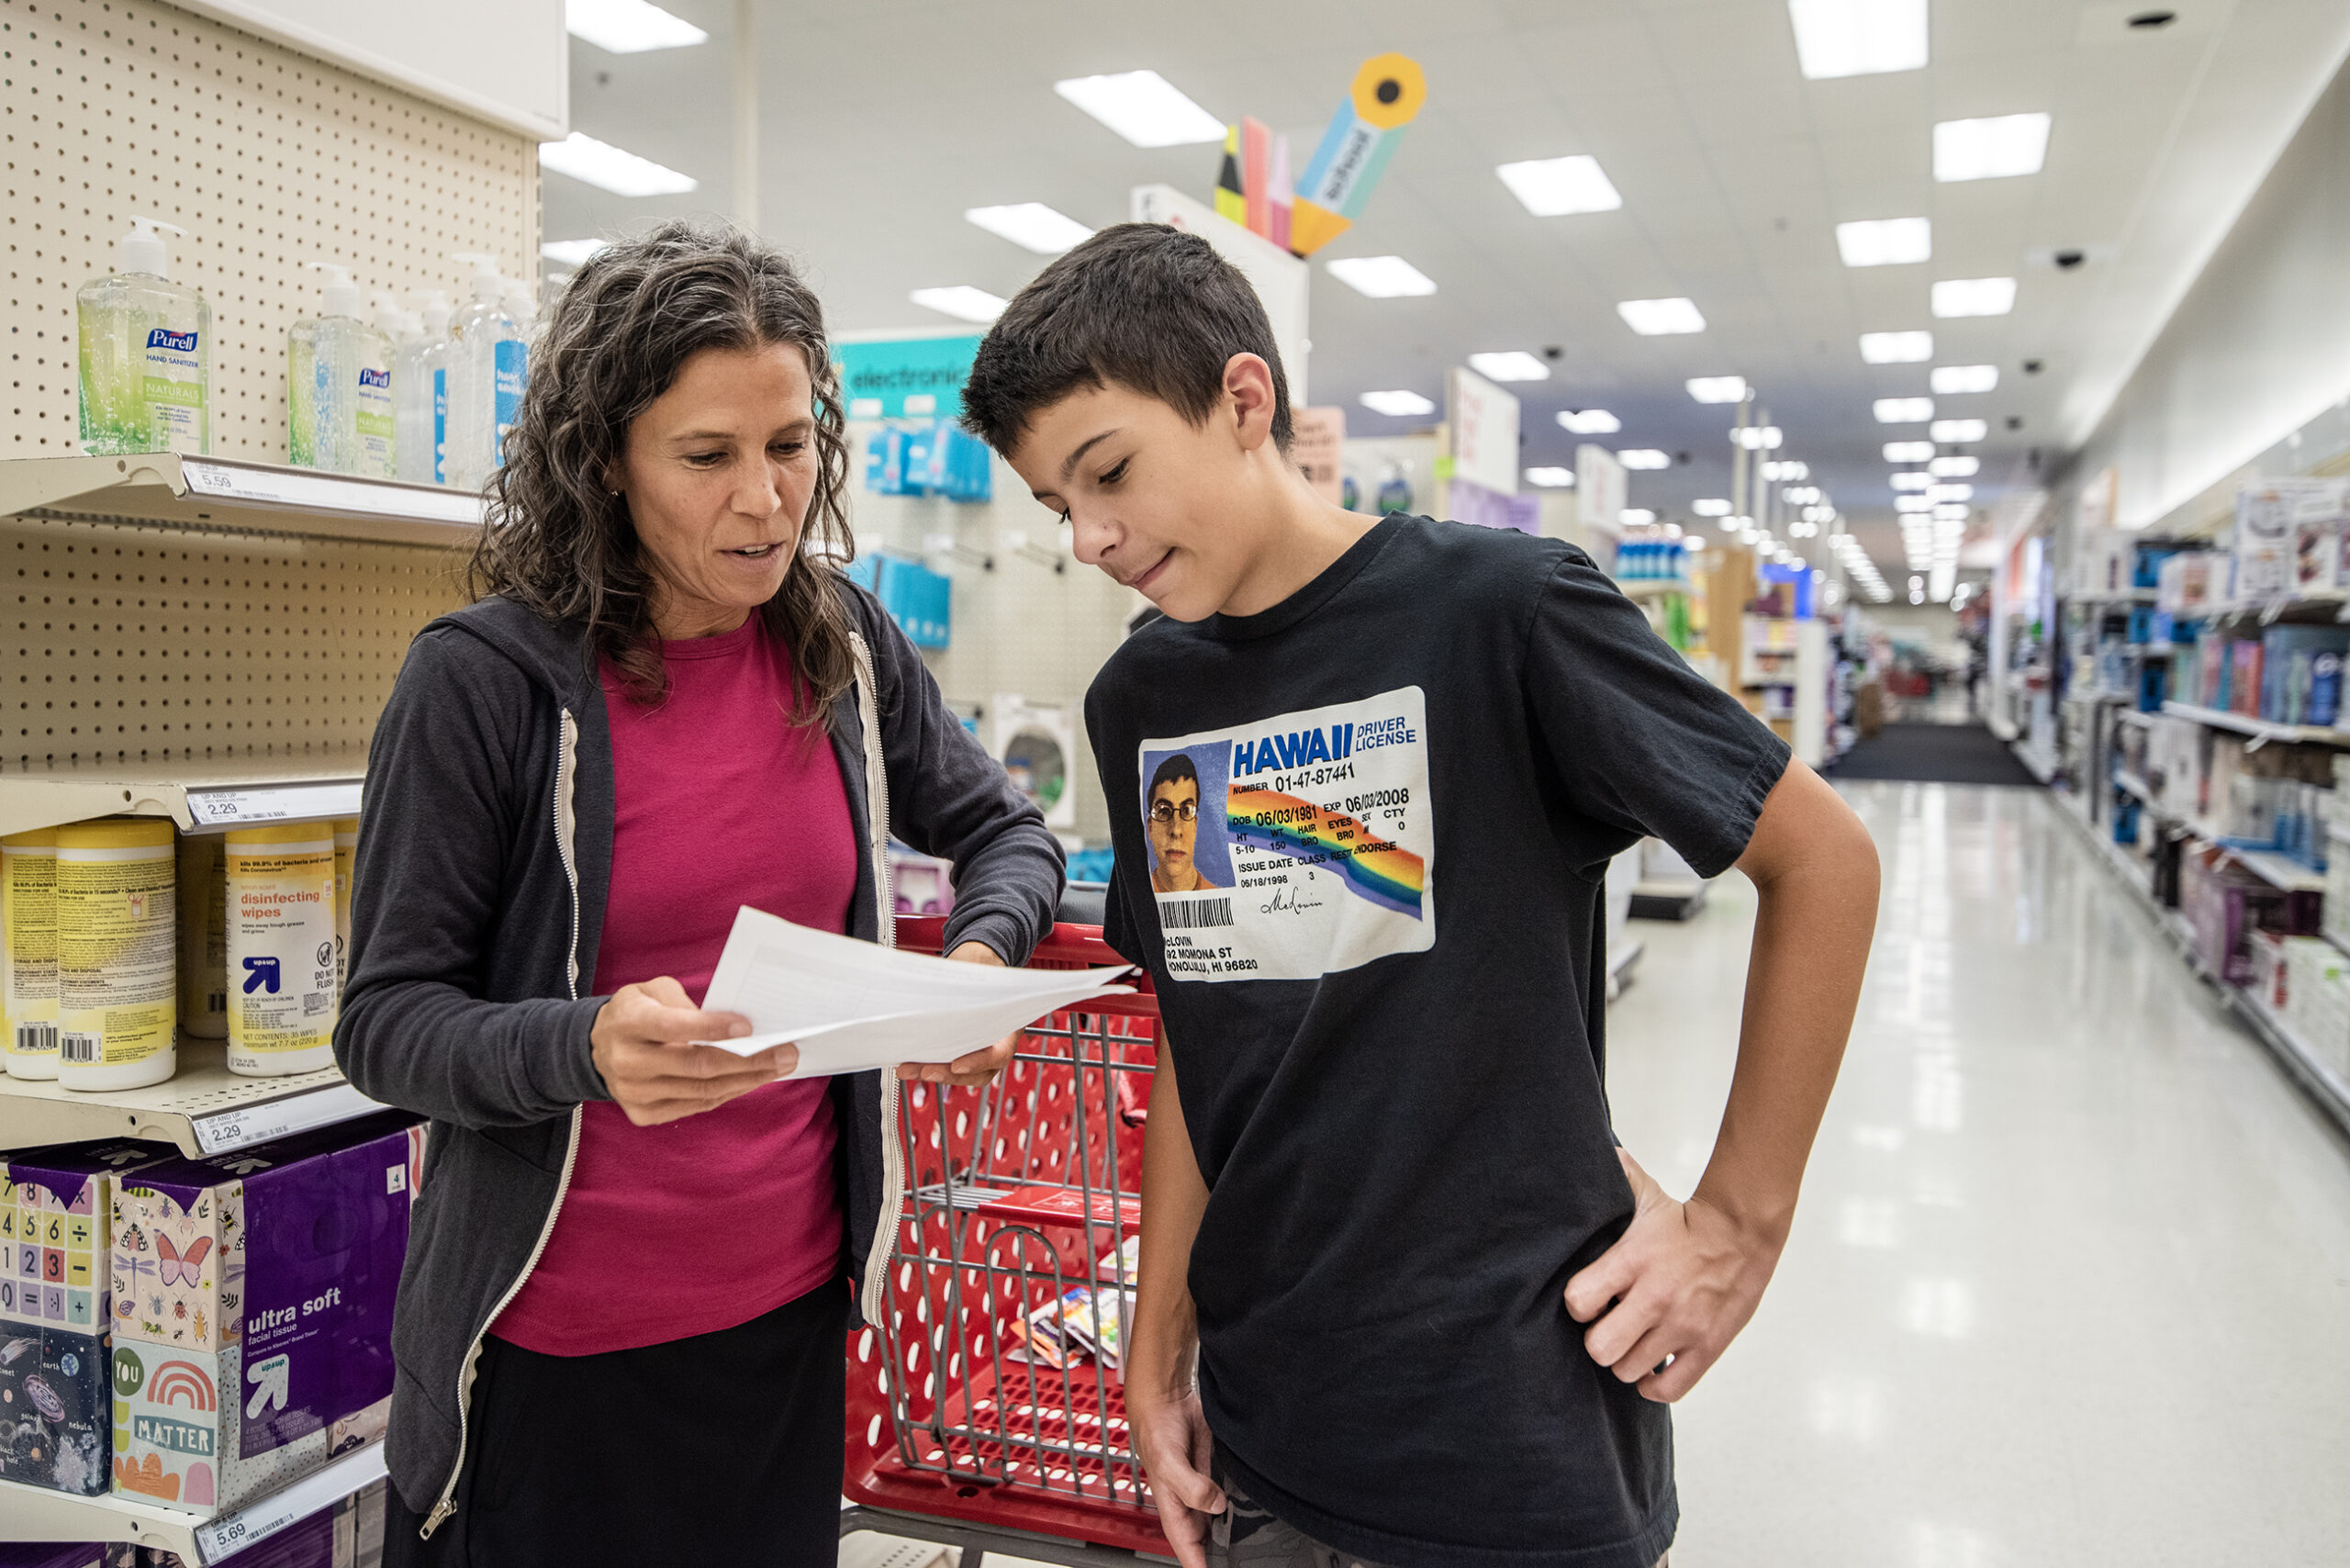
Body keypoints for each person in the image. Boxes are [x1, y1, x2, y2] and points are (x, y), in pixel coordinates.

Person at [961, 225, 1881, 1568]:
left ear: (1242, 402)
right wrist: (1158, 1354)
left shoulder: (1500, 616)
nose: (1092, 537)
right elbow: (1192, 1028)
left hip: (1515, 1424)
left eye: (1108, 473)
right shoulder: (1143, 699)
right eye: (1057, 507)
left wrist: (1739, 1222)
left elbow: (1824, 860)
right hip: (1270, 1429)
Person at [336, 222, 1064, 1565]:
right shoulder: (485, 685)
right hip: (552, 1361)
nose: (766, 501)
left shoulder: (841, 645)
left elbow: (1009, 834)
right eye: (707, 457)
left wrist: (978, 961)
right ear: (606, 467)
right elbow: (384, 1023)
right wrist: (582, 1047)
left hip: (785, 1326)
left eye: (789, 447)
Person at [1147, 753, 1221, 893]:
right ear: (1150, 827)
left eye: (1186, 811)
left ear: (1195, 825)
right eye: (1163, 811)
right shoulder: (1137, 900)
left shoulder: (1215, 894)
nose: (1176, 830)